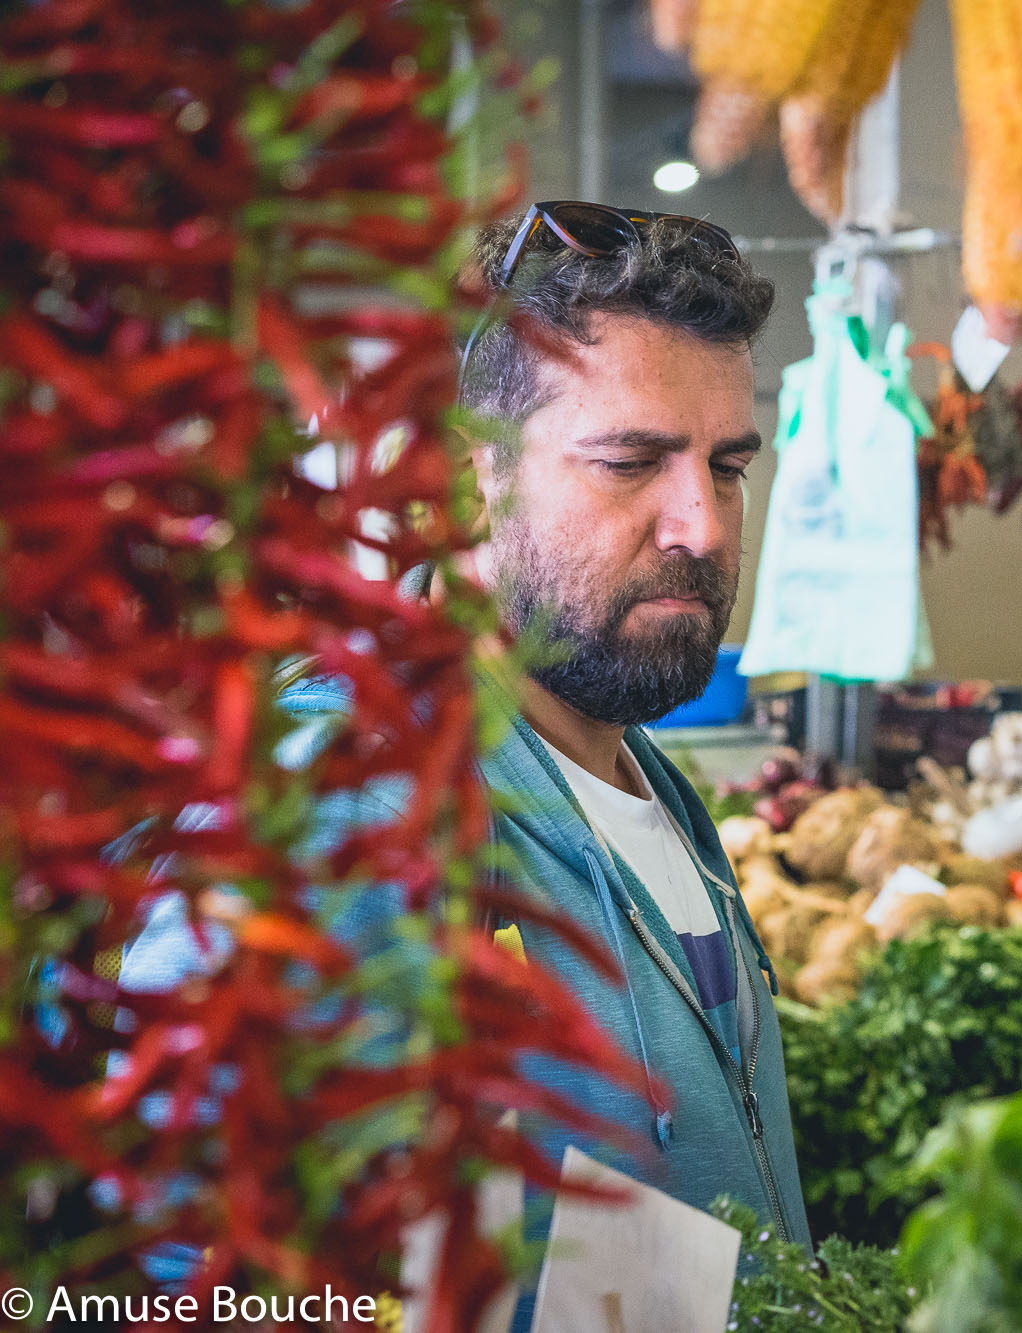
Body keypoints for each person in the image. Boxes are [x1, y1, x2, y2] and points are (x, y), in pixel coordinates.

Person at [123, 202, 811, 1319]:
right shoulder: (356, 808)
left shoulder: (654, 789)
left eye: (726, 466)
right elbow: (171, 1266)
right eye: (631, 461)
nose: (704, 525)